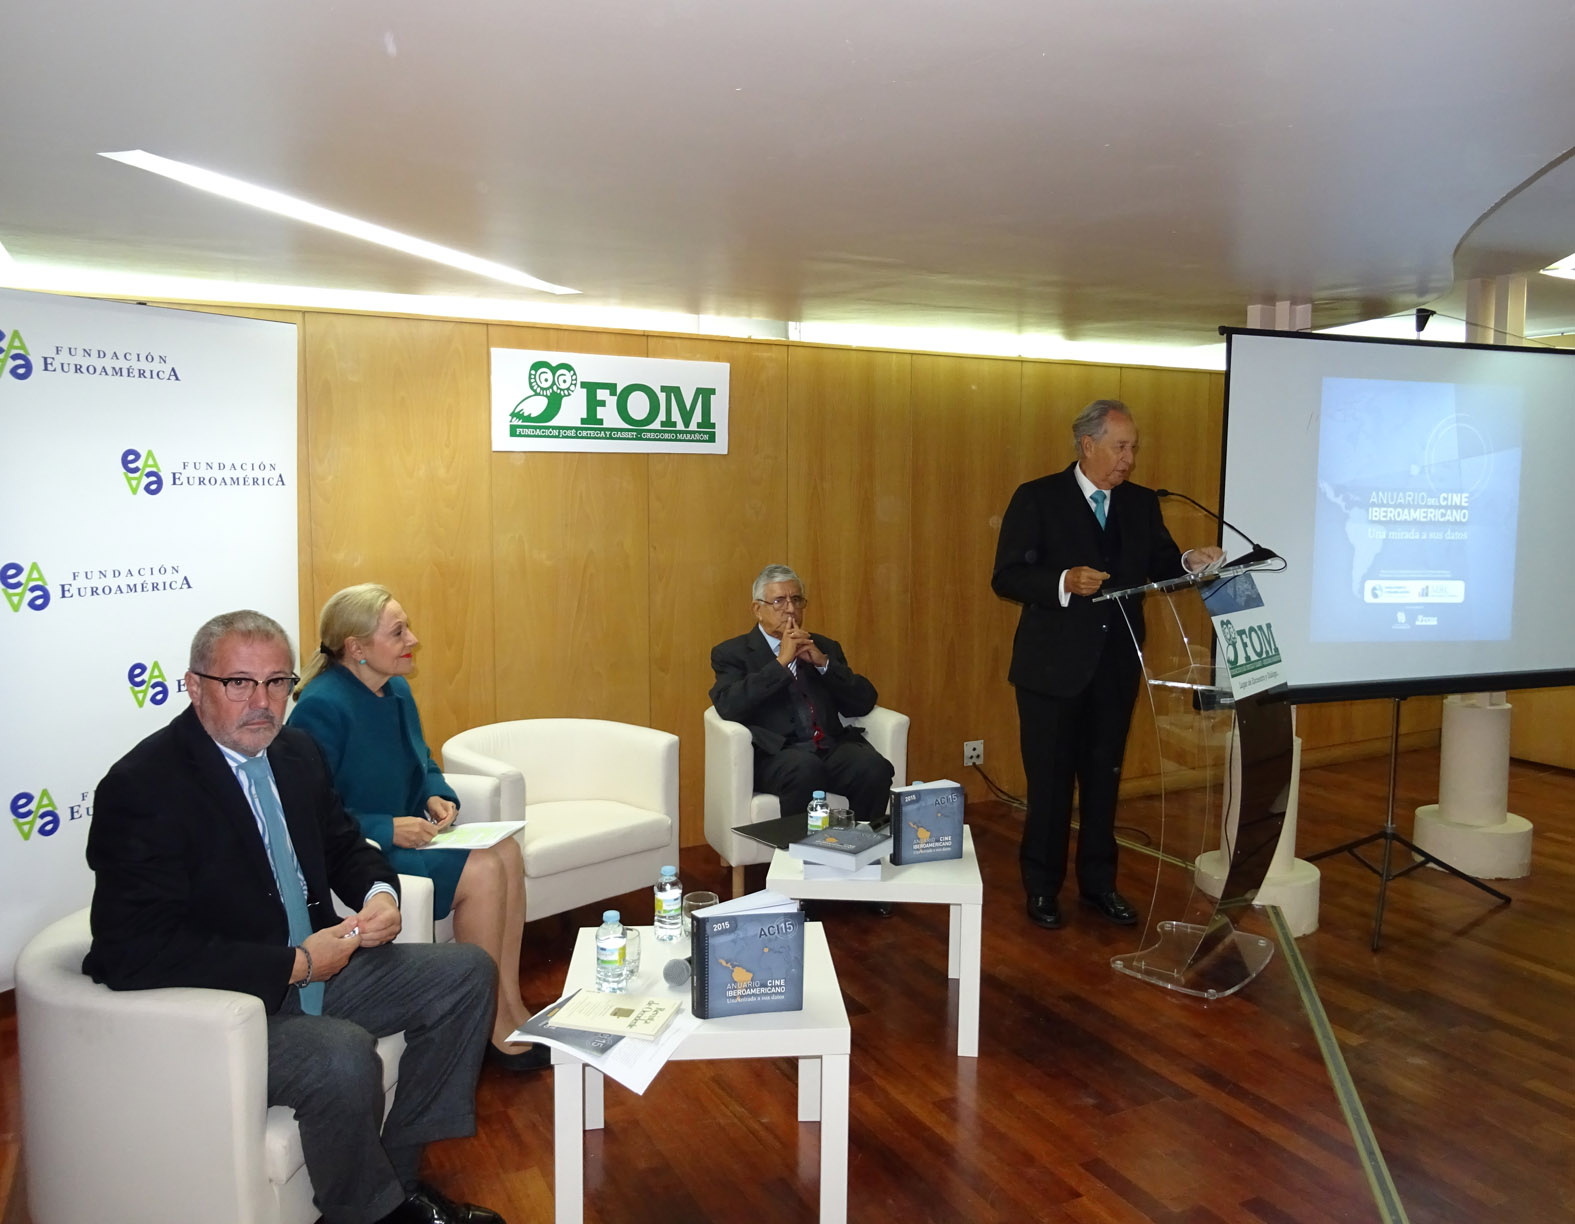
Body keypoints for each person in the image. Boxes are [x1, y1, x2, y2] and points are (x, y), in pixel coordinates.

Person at [84, 610, 505, 1224]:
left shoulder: (294, 752)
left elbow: (344, 845)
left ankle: (396, 1182)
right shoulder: (143, 787)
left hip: (320, 967)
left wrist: (380, 896)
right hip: (224, 1004)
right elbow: (131, 950)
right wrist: (296, 963)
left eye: (277, 682)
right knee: (340, 1053)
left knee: (467, 972)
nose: (262, 702)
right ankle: (367, 1214)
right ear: (194, 686)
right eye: (239, 683)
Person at [288, 584, 544, 1072]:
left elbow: (420, 757)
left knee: (507, 850)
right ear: (356, 647)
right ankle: (489, 1022)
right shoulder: (321, 708)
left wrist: (435, 793)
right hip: (366, 853)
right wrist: (387, 828)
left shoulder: (396, 689)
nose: (413, 639)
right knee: (485, 868)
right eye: (398, 631)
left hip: (417, 838)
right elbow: (311, 814)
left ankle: (510, 1003)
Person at [992, 399, 1224, 932]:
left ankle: (1099, 884)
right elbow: (1006, 576)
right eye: (1121, 447)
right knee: (1051, 785)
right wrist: (1062, 581)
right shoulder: (1038, 497)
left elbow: (1161, 563)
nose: (1129, 459)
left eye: (1133, 448)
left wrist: (1190, 562)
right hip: (1051, 670)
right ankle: (1043, 887)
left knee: (1103, 782)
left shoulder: (1140, 503)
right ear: (1087, 445)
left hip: (1117, 665)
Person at [710, 564, 894, 824]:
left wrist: (824, 664)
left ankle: (859, 842)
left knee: (874, 767)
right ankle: (799, 848)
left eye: (796, 600)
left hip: (829, 748)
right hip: (776, 755)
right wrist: (781, 663)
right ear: (757, 609)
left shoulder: (824, 646)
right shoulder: (732, 653)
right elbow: (729, 705)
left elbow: (863, 702)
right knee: (805, 769)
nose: (790, 609)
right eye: (779, 601)